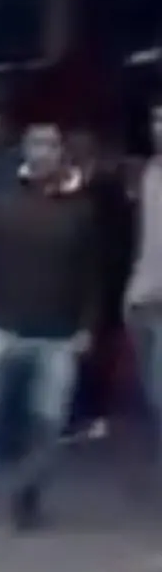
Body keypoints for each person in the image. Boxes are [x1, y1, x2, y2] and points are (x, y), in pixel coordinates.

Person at [0, 121, 96, 530]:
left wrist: (86, 325)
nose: (43, 151)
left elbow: (91, 274)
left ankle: (26, 498)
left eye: (51, 144)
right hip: (0, 328)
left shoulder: (79, 210)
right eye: (36, 143)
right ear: (24, 150)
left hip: (58, 334)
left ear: (61, 152)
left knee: (46, 424)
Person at [125, 100, 162, 464]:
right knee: (153, 397)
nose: (159, 128)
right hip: (141, 300)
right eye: (156, 119)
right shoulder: (149, 173)